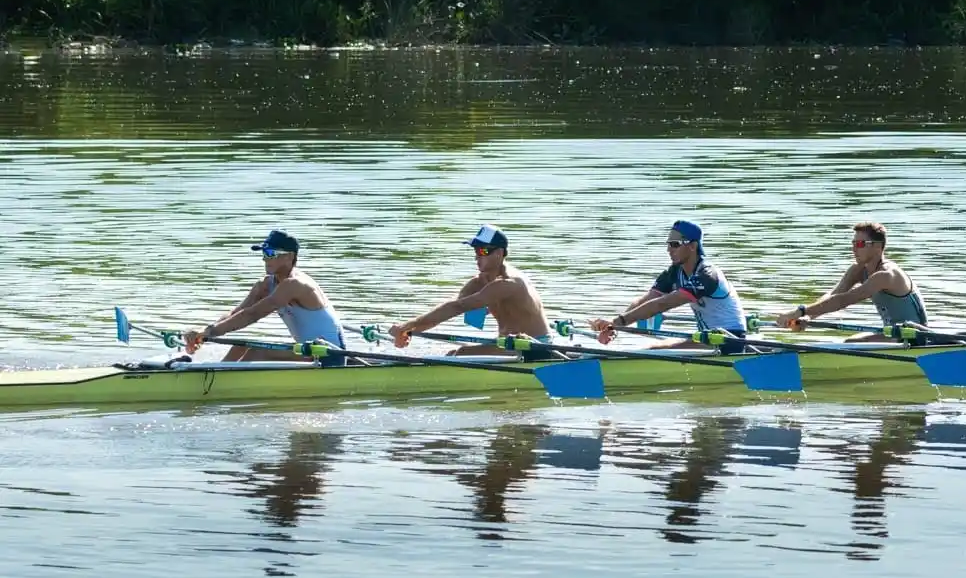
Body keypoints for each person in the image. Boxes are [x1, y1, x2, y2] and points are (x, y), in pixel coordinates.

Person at [387, 224, 554, 360]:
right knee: (453, 354)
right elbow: (447, 310)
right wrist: (409, 332)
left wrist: (406, 325)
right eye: (475, 250)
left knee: (460, 354)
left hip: (536, 348)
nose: (477, 256)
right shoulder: (478, 282)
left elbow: (458, 307)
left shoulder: (509, 283)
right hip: (509, 346)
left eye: (483, 251)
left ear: (500, 253)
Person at [182, 230, 348, 364]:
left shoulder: (296, 285)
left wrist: (208, 333)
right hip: (308, 351)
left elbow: (252, 315)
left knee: (257, 351)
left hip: (330, 355)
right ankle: (214, 376)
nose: (264, 259)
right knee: (240, 346)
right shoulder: (265, 285)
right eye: (263, 253)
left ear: (289, 256)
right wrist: (204, 332)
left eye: (270, 253)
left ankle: (223, 386)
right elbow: (237, 313)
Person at [588, 220, 749, 353]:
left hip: (730, 340)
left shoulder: (707, 276)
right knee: (651, 348)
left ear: (692, 246)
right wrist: (615, 326)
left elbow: (662, 304)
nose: (668, 250)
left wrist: (618, 321)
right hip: (707, 338)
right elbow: (647, 300)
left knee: (653, 350)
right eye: (668, 244)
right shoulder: (675, 272)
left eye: (675, 244)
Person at [775, 221, 928, 342]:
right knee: (852, 342)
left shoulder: (887, 275)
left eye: (860, 244)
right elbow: (834, 294)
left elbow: (843, 301)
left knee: (851, 344)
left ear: (878, 247)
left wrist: (800, 310)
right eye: (853, 244)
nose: (854, 249)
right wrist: (807, 317)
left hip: (914, 336)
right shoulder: (858, 270)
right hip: (892, 333)